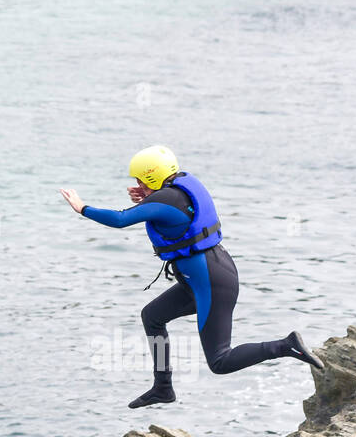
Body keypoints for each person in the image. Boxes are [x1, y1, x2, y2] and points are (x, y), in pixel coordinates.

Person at [59, 145, 323, 408]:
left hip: (212, 280)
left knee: (220, 361)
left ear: (151, 176)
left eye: (140, 179)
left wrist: (83, 208)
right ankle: (162, 388)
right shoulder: (172, 193)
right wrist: (147, 198)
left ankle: (286, 346)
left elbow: (120, 219)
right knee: (151, 316)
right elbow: (168, 214)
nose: (137, 183)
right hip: (200, 277)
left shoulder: (165, 199)